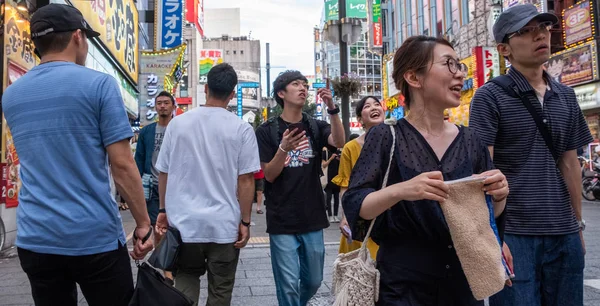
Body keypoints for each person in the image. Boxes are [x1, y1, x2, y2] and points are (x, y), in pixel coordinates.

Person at [1, 4, 153, 306]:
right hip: (93, 236)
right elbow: (122, 165)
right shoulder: (99, 85)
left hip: (36, 238)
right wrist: (143, 224)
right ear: (77, 37)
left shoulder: (12, 94)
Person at [343, 36, 509, 305]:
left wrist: (499, 196)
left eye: (460, 66)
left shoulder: (470, 140)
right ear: (413, 77)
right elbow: (356, 205)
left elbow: (486, 215)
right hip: (403, 285)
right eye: (449, 64)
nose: (459, 74)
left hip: (463, 282)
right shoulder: (386, 136)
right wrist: (402, 190)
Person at [470, 5, 592, 306]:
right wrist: (492, 237)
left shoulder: (566, 95)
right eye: (525, 31)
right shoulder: (489, 96)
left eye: (544, 28)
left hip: (564, 232)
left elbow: (570, 163)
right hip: (515, 234)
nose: (539, 35)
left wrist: (577, 225)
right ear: (504, 49)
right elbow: (482, 170)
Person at [155, 63, 260, 305]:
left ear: (206, 88)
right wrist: (244, 221)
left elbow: (164, 172)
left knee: (185, 285)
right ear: (232, 94)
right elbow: (245, 180)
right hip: (224, 227)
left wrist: (162, 210)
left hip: (184, 225)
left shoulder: (178, 124)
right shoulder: (241, 129)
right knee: (220, 292)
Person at [255, 70, 345, 306]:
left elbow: (340, 142)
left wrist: (332, 108)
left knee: (314, 280)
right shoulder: (266, 131)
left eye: (304, 84)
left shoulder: (315, 126)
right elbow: (270, 175)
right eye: (296, 84)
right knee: (287, 287)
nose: (303, 88)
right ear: (281, 93)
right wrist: (283, 148)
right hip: (281, 218)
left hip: (312, 215)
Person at [333, 96, 385, 260]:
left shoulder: (398, 141)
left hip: (390, 215)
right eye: (367, 106)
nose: (374, 108)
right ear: (360, 119)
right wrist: (346, 217)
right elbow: (345, 186)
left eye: (377, 104)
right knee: (360, 270)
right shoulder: (350, 148)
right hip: (361, 215)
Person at [322, 147, 341, 223]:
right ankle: (330, 215)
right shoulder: (325, 152)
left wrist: (340, 159)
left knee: (336, 198)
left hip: (337, 178)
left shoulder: (338, 152)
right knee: (329, 198)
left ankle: (335, 215)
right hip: (328, 178)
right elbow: (323, 165)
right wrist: (331, 158)